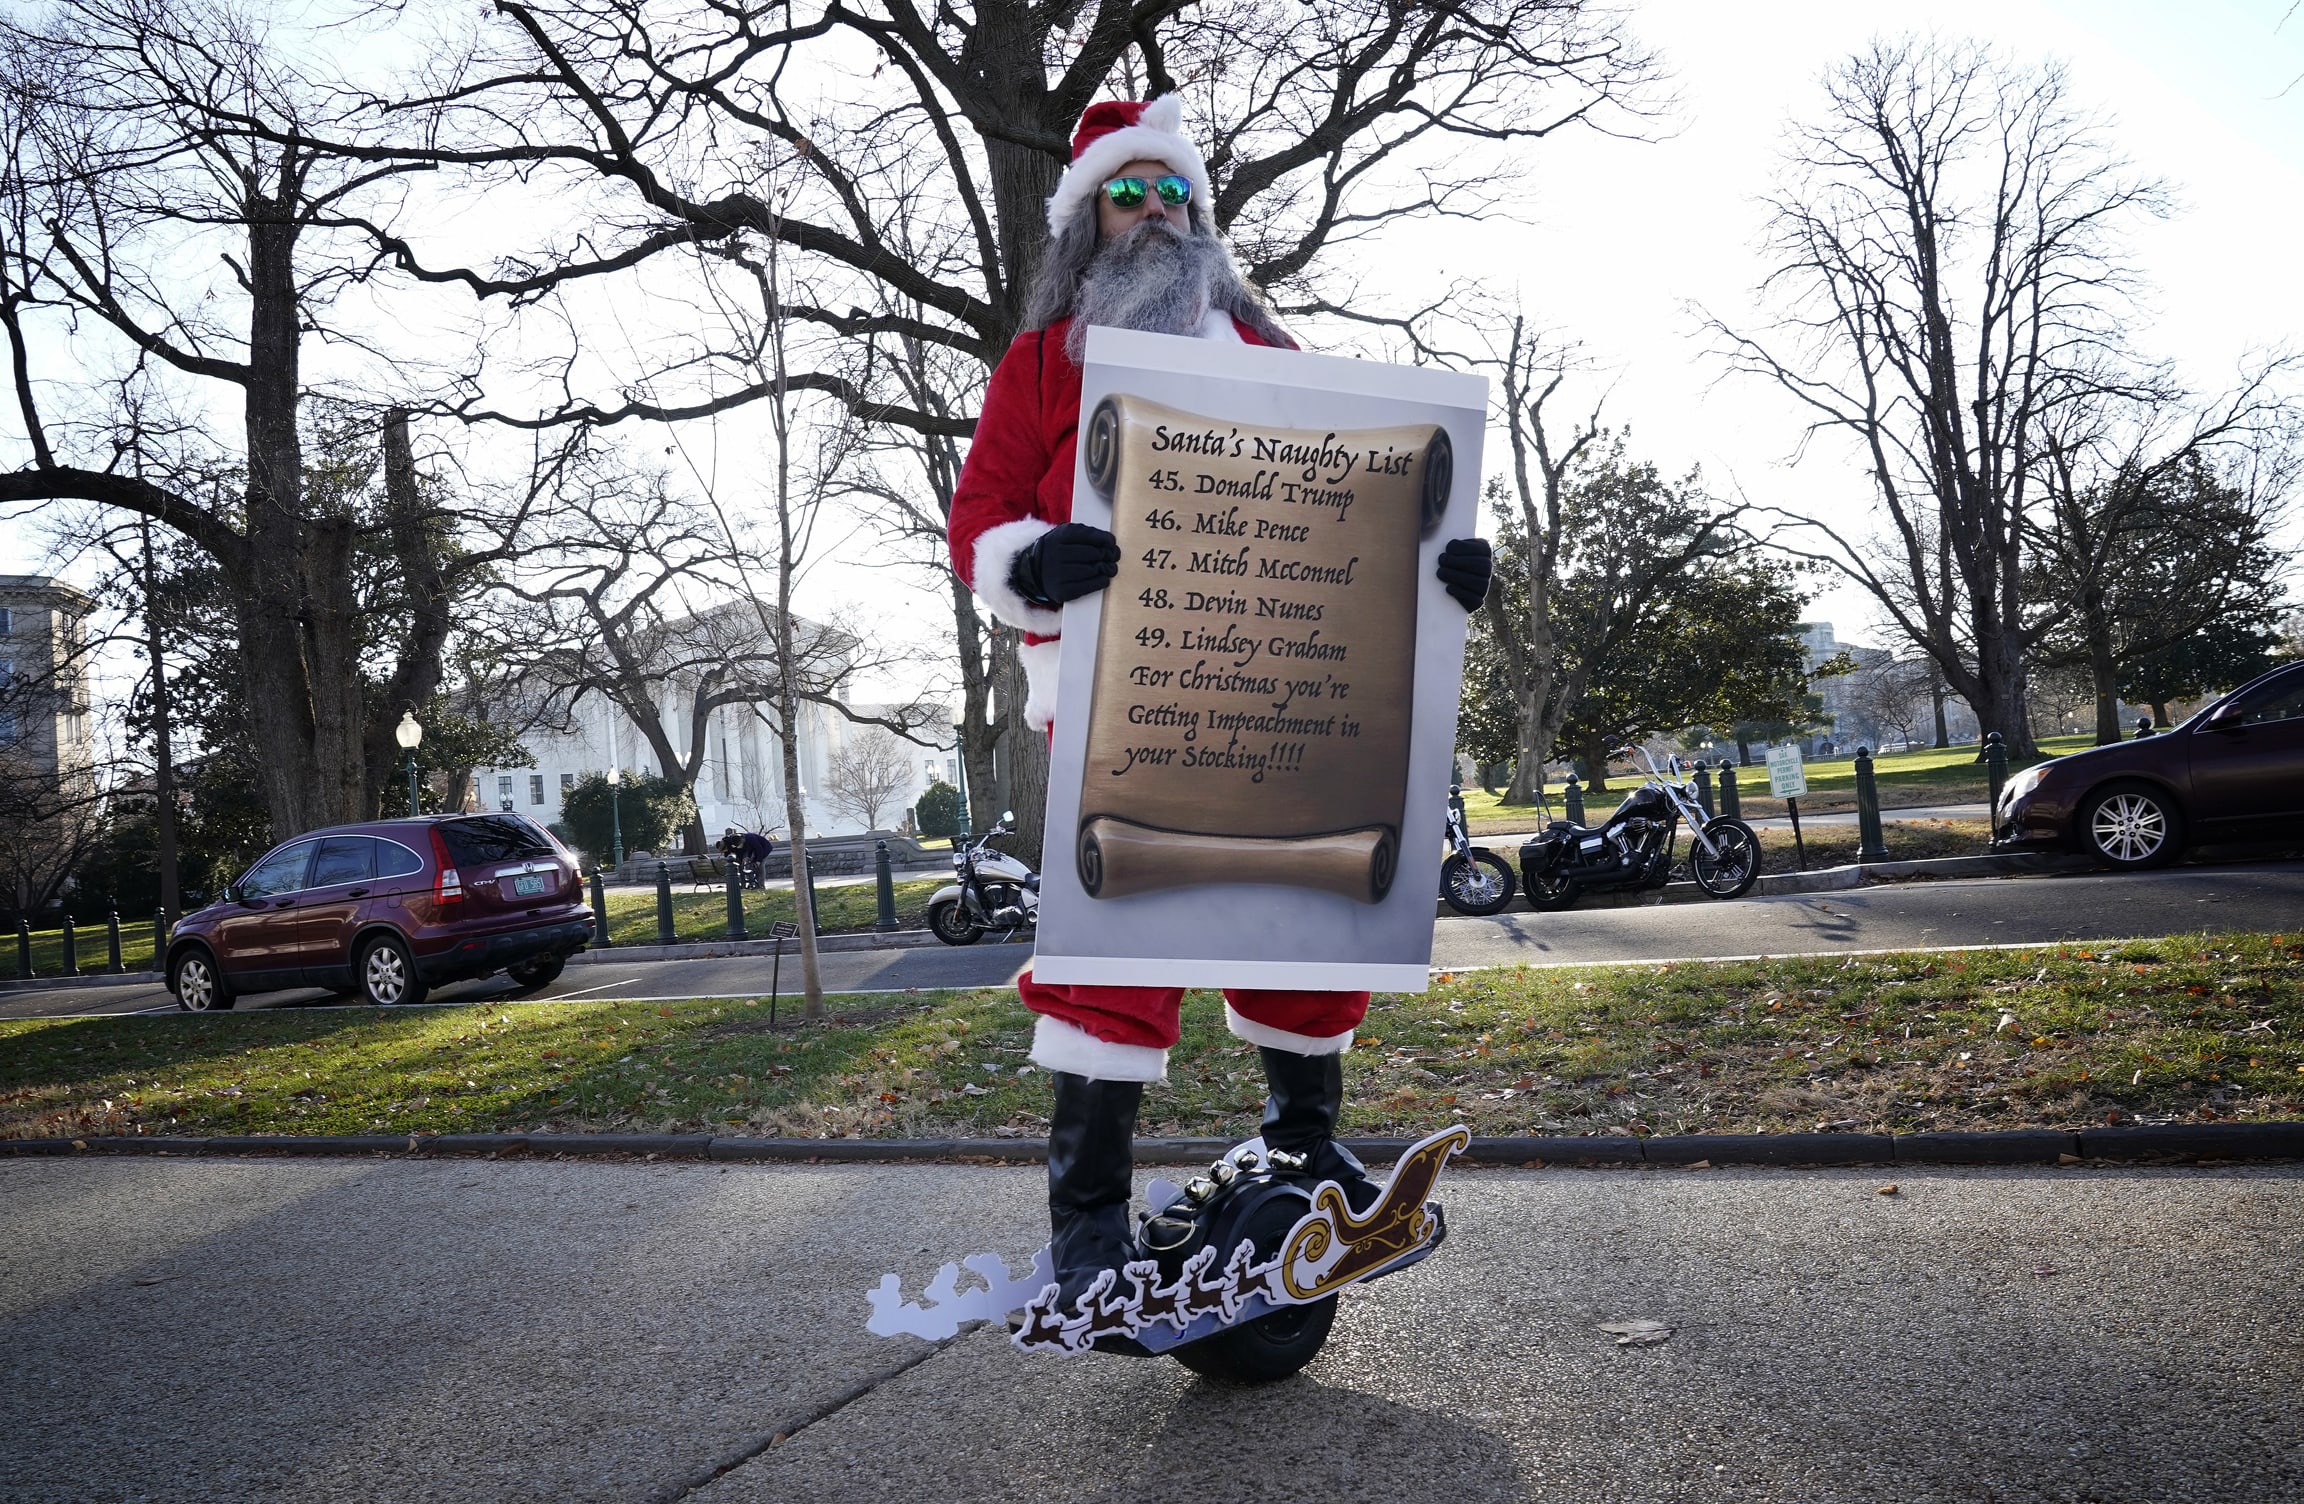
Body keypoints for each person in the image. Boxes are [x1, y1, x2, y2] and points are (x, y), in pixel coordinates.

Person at [944, 96, 1494, 1312]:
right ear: (1090, 219)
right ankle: (1088, 1220)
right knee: (1117, 947)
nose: (1151, 212)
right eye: (1125, 194)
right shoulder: (1045, 364)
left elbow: (1369, 507)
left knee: (1300, 920)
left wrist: (1445, 561)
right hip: (1114, 700)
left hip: (1289, 696)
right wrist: (1032, 560)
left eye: (1170, 192)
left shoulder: (1280, 364)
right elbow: (978, 515)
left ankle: (1306, 1142)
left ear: (1201, 211)